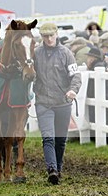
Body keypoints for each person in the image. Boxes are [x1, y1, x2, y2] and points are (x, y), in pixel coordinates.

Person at [33, 22, 82, 185]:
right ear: (41, 37)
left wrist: (73, 90)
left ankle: (58, 168)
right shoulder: (36, 54)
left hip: (63, 102)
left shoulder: (66, 54)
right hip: (43, 102)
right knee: (48, 138)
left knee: (60, 140)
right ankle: (52, 169)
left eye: (51, 36)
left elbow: (76, 75)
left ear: (56, 35)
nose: (48, 39)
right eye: (45, 36)